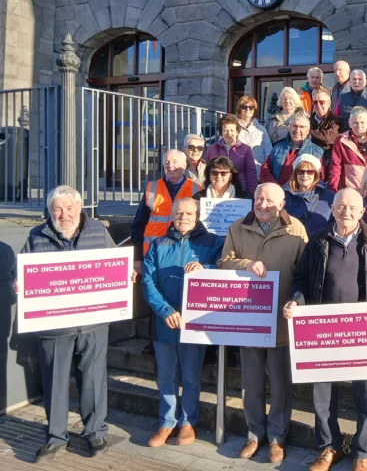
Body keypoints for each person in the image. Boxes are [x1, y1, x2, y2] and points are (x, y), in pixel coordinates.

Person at [14, 186, 135, 461]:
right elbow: (20, 271)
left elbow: (114, 264)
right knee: (55, 382)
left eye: (69, 208)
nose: (64, 214)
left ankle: (95, 433)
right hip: (54, 326)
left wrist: (125, 275)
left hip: (93, 323)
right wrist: (18, 283)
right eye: (57, 209)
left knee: (93, 379)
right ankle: (56, 437)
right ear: (49, 211)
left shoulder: (97, 231)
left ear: (80, 208)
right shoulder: (37, 235)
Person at [284, 188, 367, 471]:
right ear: (332, 209)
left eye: (352, 207)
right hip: (325, 330)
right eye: (340, 206)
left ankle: (363, 452)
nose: (346, 212)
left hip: (364, 329)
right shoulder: (318, 240)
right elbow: (301, 279)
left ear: (362, 212)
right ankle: (328, 447)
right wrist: (296, 300)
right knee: (323, 396)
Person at [218, 183, 308, 463]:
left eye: (269, 200)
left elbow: (305, 272)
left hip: (281, 318)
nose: (262, 203)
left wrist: (297, 301)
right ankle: (255, 434)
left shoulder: (296, 229)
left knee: (281, 385)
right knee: (251, 381)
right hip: (249, 318)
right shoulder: (237, 228)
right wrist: (244, 264)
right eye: (258, 198)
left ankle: (278, 437)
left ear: (281, 204)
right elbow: (223, 262)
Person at [142, 197, 224, 448]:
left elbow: (225, 270)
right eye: (179, 213)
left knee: (190, 376)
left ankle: (188, 421)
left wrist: (206, 268)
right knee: (166, 376)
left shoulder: (213, 242)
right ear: (172, 215)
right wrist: (165, 310)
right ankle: (166, 422)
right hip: (164, 322)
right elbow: (148, 282)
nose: (184, 218)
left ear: (197, 216)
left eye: (189, 213)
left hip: (194, 323)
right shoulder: (158, 244)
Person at [131, 149, 201, 268]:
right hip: (152, 254)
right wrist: (137, 259)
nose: (170, 166)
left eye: (175, 162)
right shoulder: (152, 188)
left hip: (182, 255)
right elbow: (138, 224)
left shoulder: (196, 189)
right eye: (167, 162)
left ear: (184, 165)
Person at [328, 106, 367, 192]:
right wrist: (333, 191)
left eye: (362, 122)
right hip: (350, 193)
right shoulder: (341, 141)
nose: (359, 126)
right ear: (349, 123)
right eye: (355, 122)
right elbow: (335, 168)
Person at [261, 110, 325, 186]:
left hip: (302, 192)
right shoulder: (278, 147)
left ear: (308, 131)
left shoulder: (317, 152)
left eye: (301, 127)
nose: (297, 130)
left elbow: (321, 178)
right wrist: (274, 186)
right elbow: (265, 169)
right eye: (294, 126)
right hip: (277, 191)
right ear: (289, 128)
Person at [204, 114, 260, 197]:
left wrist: (253, 192)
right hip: (217, 191)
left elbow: (251, 172)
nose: (229, 133)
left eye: (232, 130)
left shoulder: (246, 149)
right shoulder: (212, 149)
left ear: (237, 132)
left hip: (240, 191)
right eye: (225, 130)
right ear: (221, 132)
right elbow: (206, 170)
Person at [283, 154, 335, 236]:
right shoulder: (284, 196)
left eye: (310, 172)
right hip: (291, 241)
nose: (305, 175)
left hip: (318, 242)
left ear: (316, 174)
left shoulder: (329, 197)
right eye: (300, 172)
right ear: (295, 174)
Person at [236, 95, 273, 171]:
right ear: (239, 109)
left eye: (251, 107)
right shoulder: (233, 128)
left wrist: (265, 170)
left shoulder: (261, 130)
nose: (248, 109)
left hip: (257, 172)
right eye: (244, 107)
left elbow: (268, 151)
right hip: (238, 172)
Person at [310, 87, 343, 156]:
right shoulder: (308, 120)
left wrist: (308, 133)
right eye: (315, 102)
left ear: (329, 103)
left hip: (326, 156)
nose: (318, 105)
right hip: (309, 155)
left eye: (321, 102)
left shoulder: (335, 120)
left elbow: (328, 138)